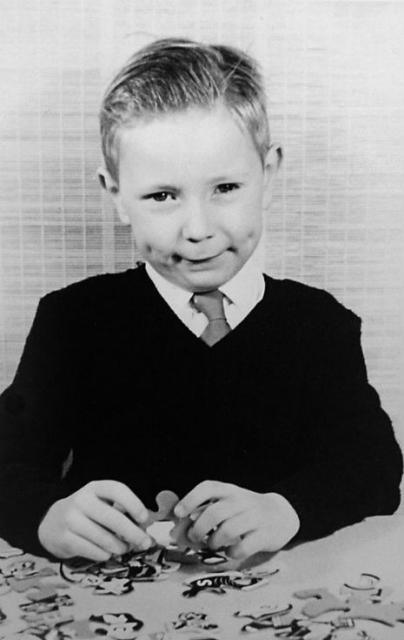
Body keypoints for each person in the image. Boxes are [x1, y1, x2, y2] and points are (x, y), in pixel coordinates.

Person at [0, 38, 402, 561]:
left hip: (276, 595)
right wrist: (45, 516)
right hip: (117, 595)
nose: (198, 229)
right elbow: (9, 460)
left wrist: (288, 509)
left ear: (269, 176)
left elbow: (373, 464)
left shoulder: (320, 323)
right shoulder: (73, 320)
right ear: (116, 195)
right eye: (162, 196)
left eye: (226, 188)